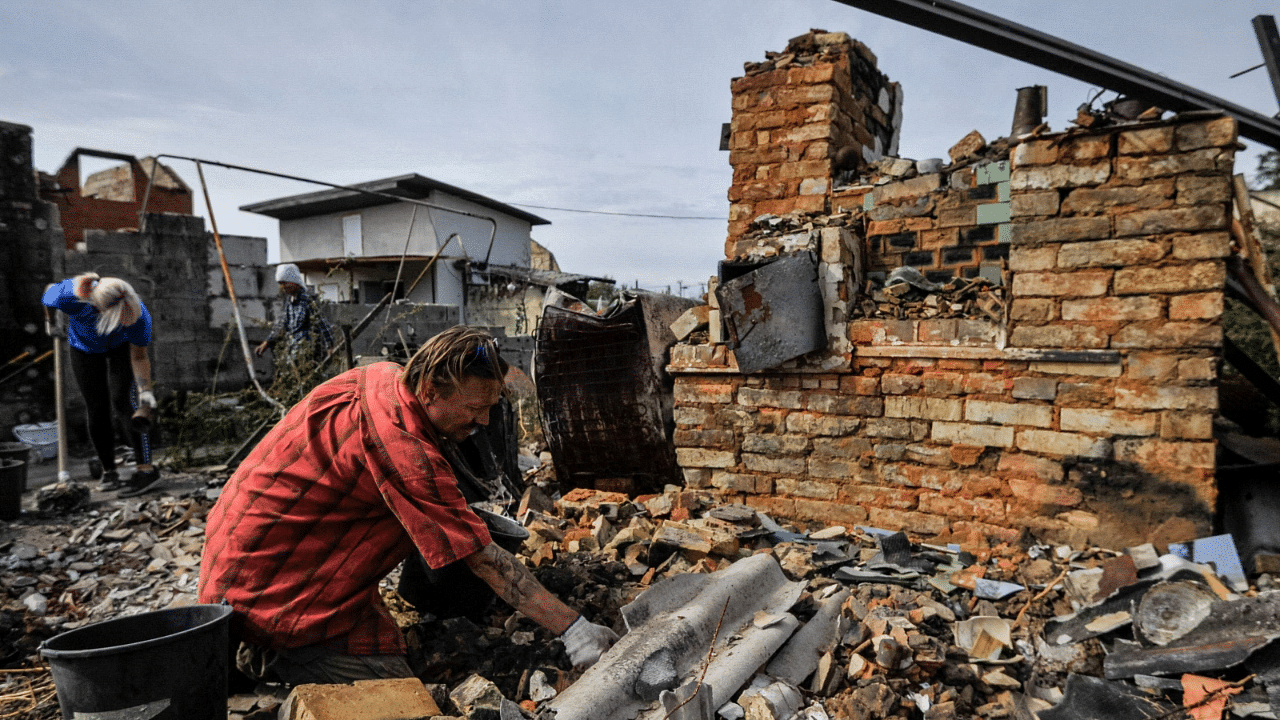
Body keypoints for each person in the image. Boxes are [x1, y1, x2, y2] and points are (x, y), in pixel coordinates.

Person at [198, 326, 617, 685]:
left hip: (239, 553)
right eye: (476, 409)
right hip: (270, 592)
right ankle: (266, 654)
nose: (485, 422)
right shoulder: (403, 448)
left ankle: (252, 643)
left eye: (491, 408)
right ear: (431, 390)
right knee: (397, 692)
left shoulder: (384, 377)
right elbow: (486, 562)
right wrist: (573, 627)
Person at [42, 273, 162, 497]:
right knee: (97, 407)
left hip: (120, 349)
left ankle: (146, 470)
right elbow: (48, 294)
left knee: (124, 401)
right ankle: (109, 471)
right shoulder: (70, 295)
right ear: (93, 303)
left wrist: (146, 390)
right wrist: (50, 322)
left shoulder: (138, 315)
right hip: (84, 348)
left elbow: (138, 357)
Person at [255, 263, 334, 367]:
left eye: (285, 283)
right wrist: (267, 342)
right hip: (294, 355)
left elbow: (322, 323)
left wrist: (330, 346)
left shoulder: (307, 300)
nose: (283, 286)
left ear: (294, 281)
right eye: (281, 283)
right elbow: (282, 325)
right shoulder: (289, 302)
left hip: (308, 356)